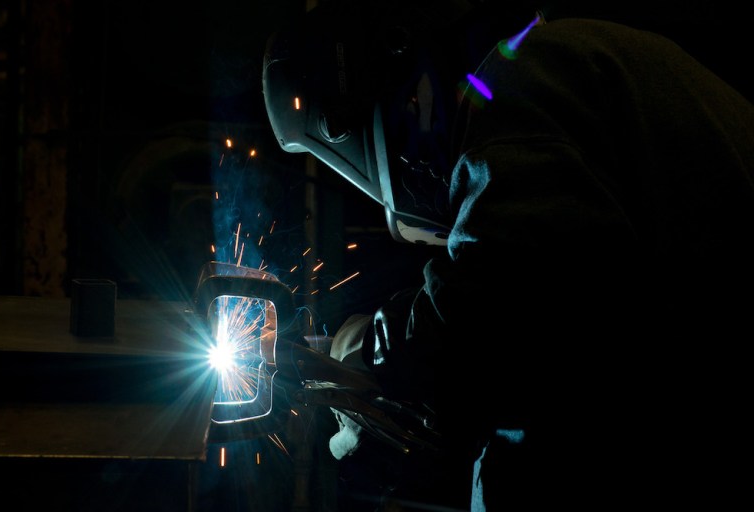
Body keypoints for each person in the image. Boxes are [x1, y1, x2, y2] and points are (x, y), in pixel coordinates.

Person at [262, 0, 754, 510]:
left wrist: (368, 351)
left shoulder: (523, 80)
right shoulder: (570, 67)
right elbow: (558, 356)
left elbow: (489, 316)